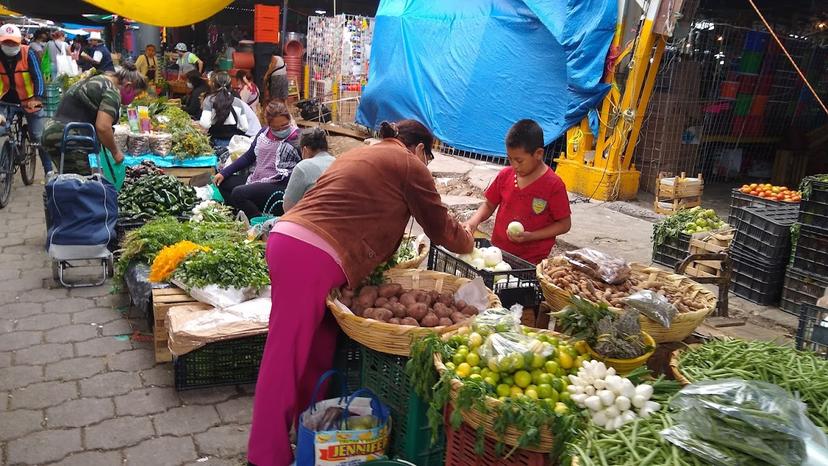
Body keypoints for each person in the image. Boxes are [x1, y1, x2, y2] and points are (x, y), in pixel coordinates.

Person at [246, 119, 473, 466]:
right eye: (429, 159)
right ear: (420, 149)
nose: (427, 167)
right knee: (286, 355)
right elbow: (440, 226)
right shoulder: (410, 163)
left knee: (319, 348)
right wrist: (469, 240)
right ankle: (264, 455)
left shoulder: (365, 153)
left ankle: (310, 432)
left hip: (296, 243)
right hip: (310, 255)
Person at [463, 119, 572, 264]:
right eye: (510, 159)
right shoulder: (505, 175)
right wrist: (472, 222)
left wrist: (531, 236)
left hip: (530, 262)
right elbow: (489, 205)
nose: (514, 165)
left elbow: (564, 224)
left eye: (519, 161)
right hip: (498, 255)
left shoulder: (553, 185)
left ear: (538, 154)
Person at [41, 61, 146, 174]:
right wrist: (116, 152)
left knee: (68, 178)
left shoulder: (100, 79)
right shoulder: (112, 92)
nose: (134, 98)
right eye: (135, 95)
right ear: (128, 86)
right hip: (69, 138)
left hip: (54, 133)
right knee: (81, 184)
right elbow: (103, 127)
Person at [213, 100, 300, 218]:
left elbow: (304, 166)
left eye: (284, 126)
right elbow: (248, 157)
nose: (281, 131)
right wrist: (224, 172)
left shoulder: (297, 138)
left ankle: (258, 221)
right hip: (258, 178)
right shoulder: (263, 133)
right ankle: (246, 211)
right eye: (276, 128)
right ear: (269, 125)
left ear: (289, 119)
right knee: (223, 183)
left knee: (239, 193)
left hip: (279, 184)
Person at [0, 24, 50, 177]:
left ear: (20, 41)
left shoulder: (29, 52)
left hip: (30, 101)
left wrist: (37, 98)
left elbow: (38, 77)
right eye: (6, 43)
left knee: (38, 136)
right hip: (5, 100)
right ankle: (6, 157)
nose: (10, 46)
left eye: (13, 42)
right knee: (2, 129)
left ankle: (49, 171)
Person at [198, 72, 261, 147]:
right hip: (235, 143)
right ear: (231, 86)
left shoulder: (209, 100)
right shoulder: (237, 102)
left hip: (215, 143)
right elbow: (244, 127)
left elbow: (205, 124)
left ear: (213, 86)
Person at [282, 127, 334, 211]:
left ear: (305, 150)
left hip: (312, 219)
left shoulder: (303, 166)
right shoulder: (336, 162)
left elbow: (288, 207)